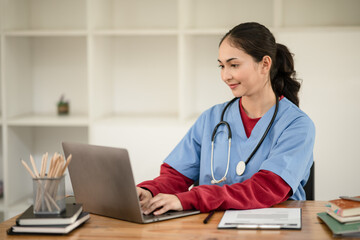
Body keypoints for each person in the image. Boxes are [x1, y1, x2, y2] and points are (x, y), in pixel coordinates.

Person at [137, 22, 315, 216]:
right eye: (222, 66)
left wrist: (190, 198)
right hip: (211, 228)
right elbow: (176, 175)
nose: (225, 75)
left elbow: (266, 189)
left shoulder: (297, 125)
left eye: (234, 65)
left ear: (265, 64)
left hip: (272, 226)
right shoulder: (211, 118)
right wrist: (149, 191)